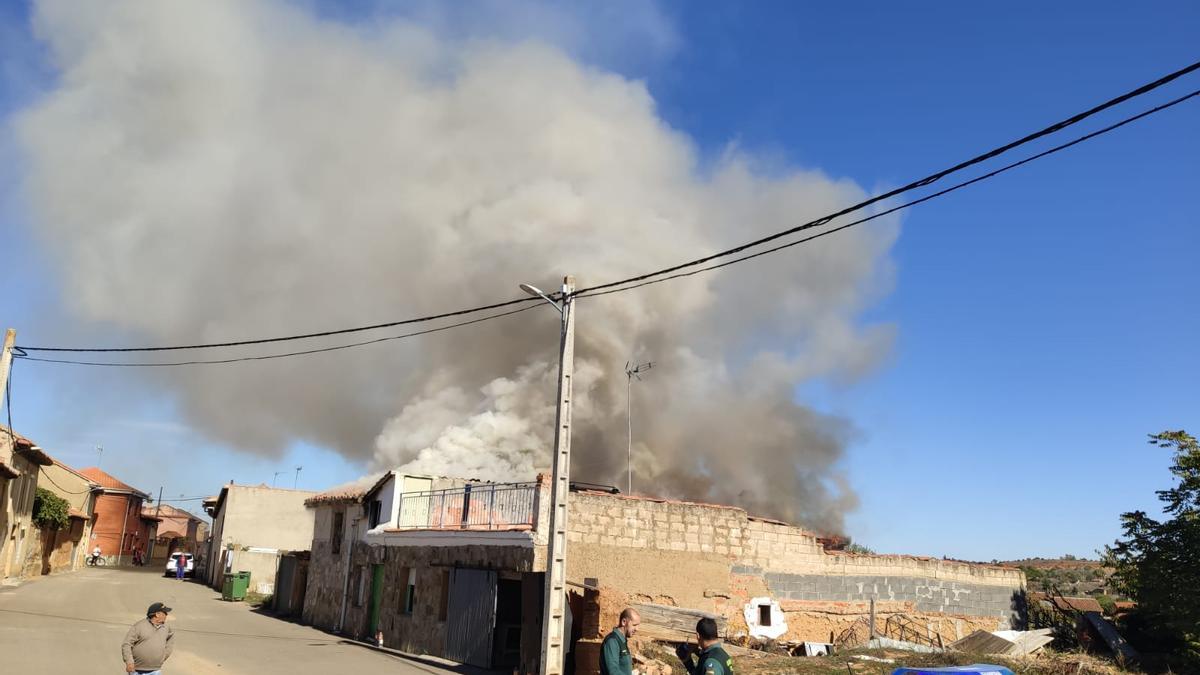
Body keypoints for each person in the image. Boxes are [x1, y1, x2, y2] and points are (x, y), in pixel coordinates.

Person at [122, 602, 175, 674]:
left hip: (156, 671)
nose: (167, 615)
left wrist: (164, 655)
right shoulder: (139, 626)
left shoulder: (166, 627)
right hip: (136, 671)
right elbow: (127, 644)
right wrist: (129, 662)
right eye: (165, 613)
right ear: (157, 614)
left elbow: (170, 639)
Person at [600, 608, 640, 675]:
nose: (637, 629)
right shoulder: (612, 641)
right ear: (624, 622)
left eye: (638, 625)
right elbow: (613, 672)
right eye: (634, 625)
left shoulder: (622, 640)